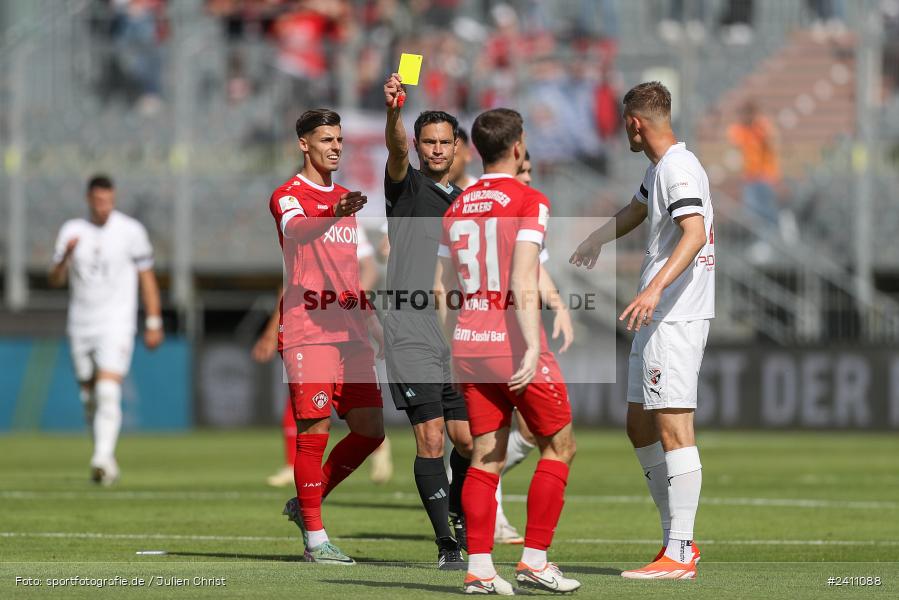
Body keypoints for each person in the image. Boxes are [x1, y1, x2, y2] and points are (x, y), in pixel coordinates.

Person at [570, 81, 715, 580]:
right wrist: (596, 236)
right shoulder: (660, 167)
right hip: (658, 318)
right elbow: (636, 209)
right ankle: (673, 537)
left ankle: (681, 549)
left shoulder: (676, 167)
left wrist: (653, 290)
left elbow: (695, 232)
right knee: (640, 424)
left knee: (675, 428)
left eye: (624, 124)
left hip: (674, 315)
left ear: (635, 123)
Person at [437, 108, 581, 594]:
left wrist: (449, 348)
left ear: (474, 149)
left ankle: (479, 569)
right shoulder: (529, 199)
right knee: (560, 447)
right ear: (517, 146)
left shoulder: (456, 206)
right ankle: (534, 561)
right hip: (513, 344)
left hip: (468, 345)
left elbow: (441, 288)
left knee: (486, 455)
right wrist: (532, 346)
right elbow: (521, 277)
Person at [271, 108, 386, 565]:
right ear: (304, 144)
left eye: (339, 140)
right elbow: (297, 230)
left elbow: (347, 272)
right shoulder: (289, 196)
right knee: (314, 429)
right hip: (308, 328)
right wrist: (330, 210)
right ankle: (316, 541)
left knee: (370, 430)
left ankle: (306, 503)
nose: (335, 147)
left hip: (349, 328)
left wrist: (371, 319)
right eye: (326, 140)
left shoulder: (346, 199)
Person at [383, 73, 473, 570]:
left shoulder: (467, 201)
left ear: (457, 146)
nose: (436, 149)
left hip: (455, 332)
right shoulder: (406, 185)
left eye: (444, 142)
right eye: (427, 142)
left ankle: (456, 512)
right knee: (432, 438)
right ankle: (447, 544)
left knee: (468, 441)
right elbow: (394, 149)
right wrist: (396, 112)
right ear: (417, 146)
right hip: (410, 327)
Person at [254, 225, 393, 488]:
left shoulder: (347, 226)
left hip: (345, 330)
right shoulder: (300, 223)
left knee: (363, 420)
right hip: (309, 331)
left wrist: (351, 305)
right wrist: (272, 331)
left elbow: (367, 270)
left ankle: (376, 447)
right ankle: (298, 477)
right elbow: (290, 285)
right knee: (308, 409)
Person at [49, 174, 164, 485]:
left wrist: (154, 320)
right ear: (89, 199)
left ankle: (100, 458)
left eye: (108, 201)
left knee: (107, 389)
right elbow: (55, 280)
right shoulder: (72, 230)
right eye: (99, 201)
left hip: (116, 323)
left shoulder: (130, 231)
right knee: (88, 396)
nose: (104, 207)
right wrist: (65, 260)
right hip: (80, 323)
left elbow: (147, 277)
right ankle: (106, 458)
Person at [492, 150, 574, 546]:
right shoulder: (504, 207)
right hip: (504, 336)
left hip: (503, 335)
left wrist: (557, 305)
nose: (527, 178)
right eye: (522, 171)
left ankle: (484, 546)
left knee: (517, 432)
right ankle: (509, 532)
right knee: (556, 442)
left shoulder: (522, 211)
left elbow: (535, 269)